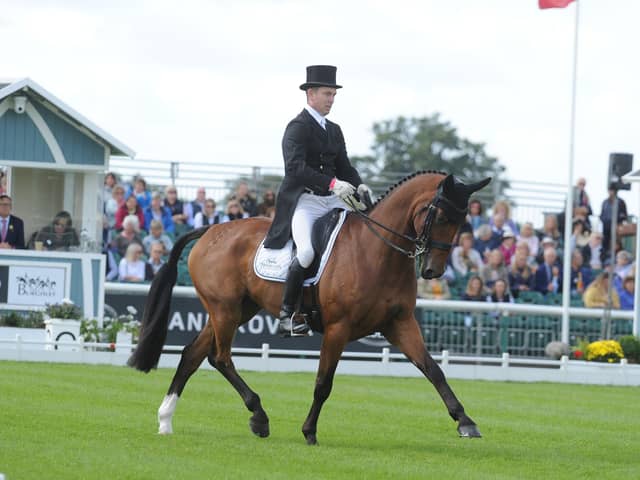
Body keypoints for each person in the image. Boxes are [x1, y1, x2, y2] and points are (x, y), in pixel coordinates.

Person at [263, 65, 372, 336]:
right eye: (327, 94)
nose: (331, 99)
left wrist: (359, 184)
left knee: (366, 235)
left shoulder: (334, 130)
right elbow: (295, 168)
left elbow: (344, 166)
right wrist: (332, 183)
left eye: (334, 94)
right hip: (306, 202)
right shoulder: (297, 127)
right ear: (311, 94)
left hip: (334, 200)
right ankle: (287, 315)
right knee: (307, 252)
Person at [600, 184, 628, 264]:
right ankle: (606, 260)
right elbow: (602, 215)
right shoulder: (605, 202)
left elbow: (624, 215)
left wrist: (618, 223)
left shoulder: (620, 202)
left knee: (617, 245)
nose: (610, 192)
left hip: (616, 228)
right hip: (606, 228)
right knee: (605, 245)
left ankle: (618, 260)